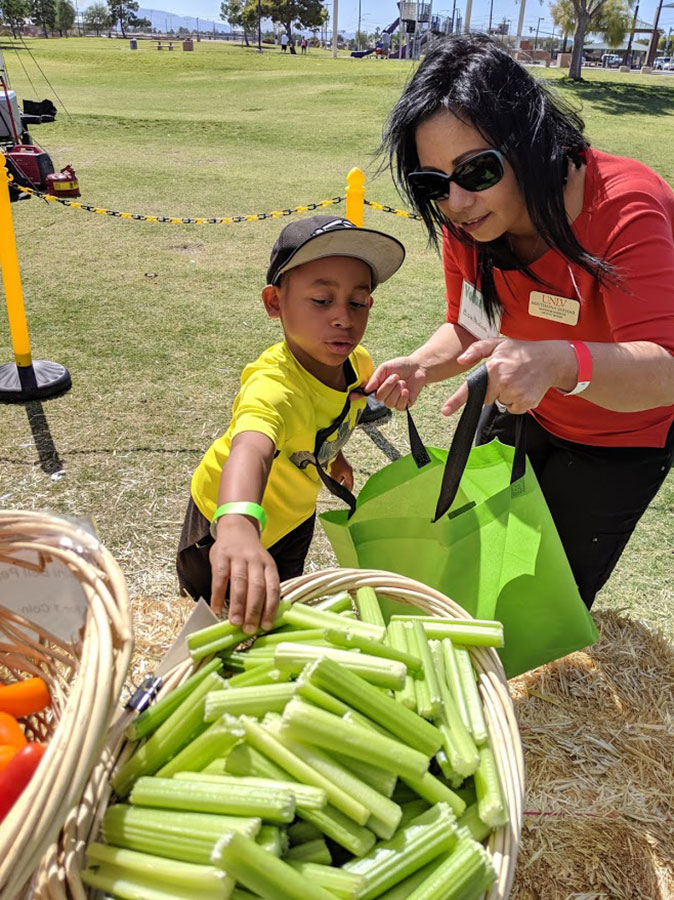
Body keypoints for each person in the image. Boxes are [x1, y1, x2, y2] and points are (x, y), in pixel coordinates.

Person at [366, 33, 674, 610]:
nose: (455, 201)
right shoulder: (471, 223)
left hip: (619, 438)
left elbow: (666, 369)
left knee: (545, 595)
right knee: (482, 559)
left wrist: (558, 360)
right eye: (434, 184)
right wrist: (418, 367)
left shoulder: (625, 205)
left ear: (530, 143)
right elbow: (472, 328)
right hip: (521, 411)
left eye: (476, 170)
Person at [177, 216, 405, 632]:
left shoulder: (358, 363)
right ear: (274, 303)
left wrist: (335, 456)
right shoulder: (272, 385)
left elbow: (328, 416)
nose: (343, 319)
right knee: (216, 621)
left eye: (358, 302)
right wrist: (237, 524)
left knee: (276, 605)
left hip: (295, 516)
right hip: (222, 523)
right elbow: (252, 446)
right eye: (321, 301)